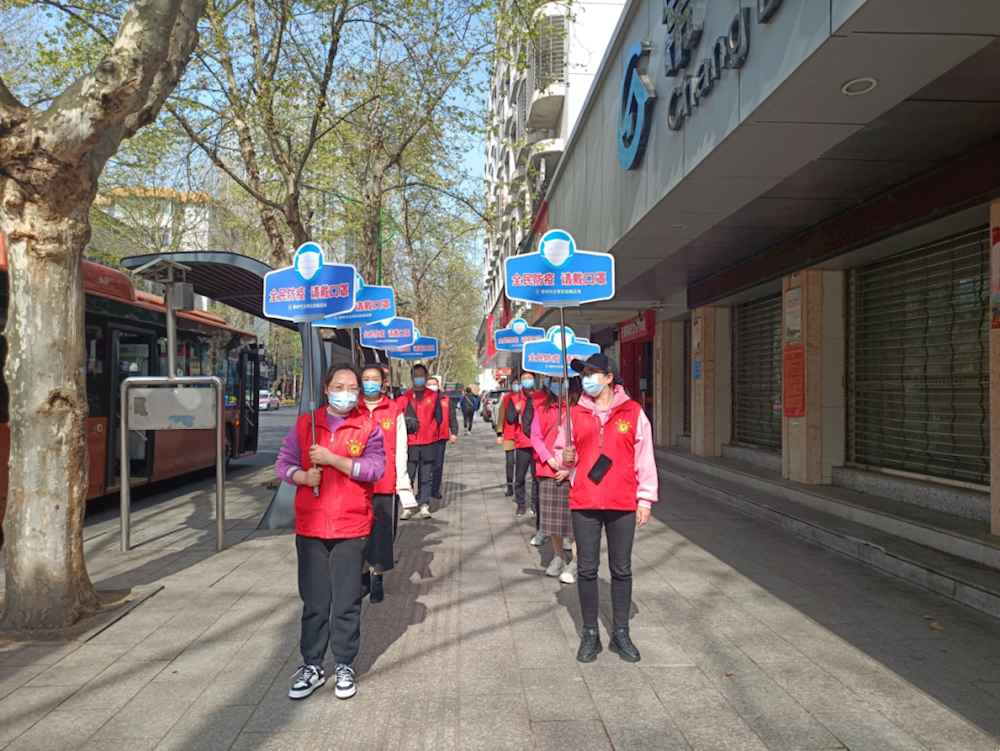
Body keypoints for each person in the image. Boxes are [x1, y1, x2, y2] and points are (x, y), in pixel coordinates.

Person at [275, 362, 386, 701]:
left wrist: (332, 459)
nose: (346, 394)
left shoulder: (368, 427)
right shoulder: (306, 424)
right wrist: (302, 477)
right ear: (326, 389)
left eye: (352, 388)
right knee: (314, 602)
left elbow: (375, 469)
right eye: (339, 387)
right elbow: (283, 462)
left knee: (347, 602)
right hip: (311, 527)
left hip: (351, 528)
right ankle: (312, 665)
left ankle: (344, 664)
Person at [554, 353, 658, 664]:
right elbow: (562, 455)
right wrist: (566, 458)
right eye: (583, 374)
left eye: (591, 373)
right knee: (587, 569)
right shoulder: (575, 414)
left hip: (622, 501)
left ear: (609, 377)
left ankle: (621, 632)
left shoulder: (634, 412)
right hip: (584, 501)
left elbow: (645, 458)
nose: (586, 379)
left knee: (621, 569)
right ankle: (590, 633)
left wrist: (645, 499)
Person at [360, 364, 417, 603]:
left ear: (384, 383)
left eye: (375, 379)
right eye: (366, 379)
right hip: (356, 482)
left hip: (385, 481)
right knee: (359, 532)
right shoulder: (353, 408)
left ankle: (377, 577)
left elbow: (401, 447)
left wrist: (402, 481)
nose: (370, 383)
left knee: (383, 533)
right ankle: (362, 575)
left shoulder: (393, 409)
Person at [530, 377, 581, 582]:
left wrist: (570, 469)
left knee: (573, 522)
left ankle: (576, 561)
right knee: (553, 521)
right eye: (553, 381)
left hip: (573, 473)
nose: (555, 385)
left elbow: (585, 441)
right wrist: (549, 459)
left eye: (561, 381)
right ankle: (558, 557)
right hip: (547, 470)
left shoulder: (579, 409)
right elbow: (536, 436)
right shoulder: (542, 407)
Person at [398, 364, 444, 519]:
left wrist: (431, 429)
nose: (419, 378)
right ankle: (408, 507)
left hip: (429, 441)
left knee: (426, 476)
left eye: (421, 375)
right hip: (410, 442)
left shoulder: (434, 396)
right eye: (416, 375)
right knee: (408, 475)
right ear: (411, 377)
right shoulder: (404, 397)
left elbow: (439, 417)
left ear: (426, 376)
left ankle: (425, 505)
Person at [498, 371, 539, 517]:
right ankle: (521, 503)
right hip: (522, 442)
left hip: (538, 443)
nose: (527, 380)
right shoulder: (515, 399)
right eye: (524, 378)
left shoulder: (541, 397)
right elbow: (509, 419)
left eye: (529, 378)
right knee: (520, 475)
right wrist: (516, 410)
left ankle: (535, 503)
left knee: (536, 476)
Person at [428, 376, 458, 500]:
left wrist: (454, 432)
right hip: (426, 437)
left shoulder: (446, 399)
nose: (431, 386)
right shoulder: (422, 399)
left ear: (439, 385)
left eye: (433, 384)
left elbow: (452, 416)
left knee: (438, 465)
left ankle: (435, 489)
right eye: (429, 384)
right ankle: (423, 490)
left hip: (441, 436)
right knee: (425, 466)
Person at [496, 383, 520, 497]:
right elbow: (501, 417)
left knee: (521, 463)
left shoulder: (527, 397)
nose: (517, 386)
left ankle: (519, 485)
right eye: (515, 384)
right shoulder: (506, 398)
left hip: (523, 434)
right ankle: (510, 486)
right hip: (509, 433)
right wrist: (499, 433)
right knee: (510, 462)